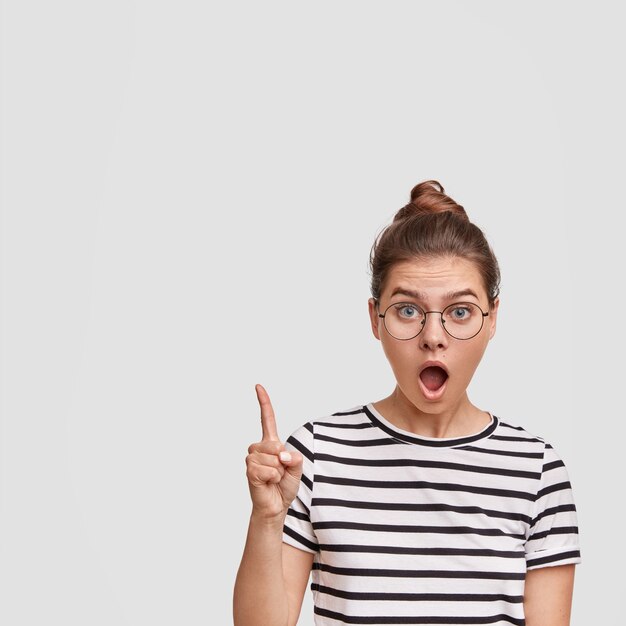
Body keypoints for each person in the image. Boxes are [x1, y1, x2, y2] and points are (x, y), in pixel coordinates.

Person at [233, 180, 581, 626]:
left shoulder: (537, 471)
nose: (433, 337)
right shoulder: (316, 456)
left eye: (460, 312)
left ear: (492, 319)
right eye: (408, 311)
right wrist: (266, 518)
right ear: (375, 319)